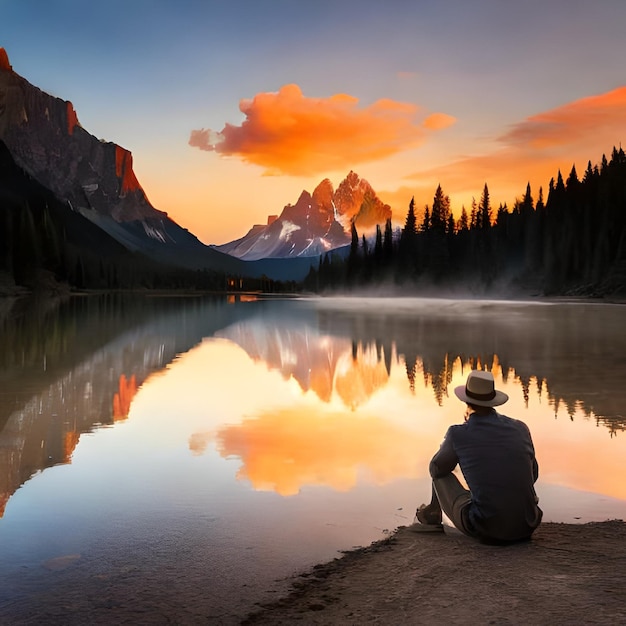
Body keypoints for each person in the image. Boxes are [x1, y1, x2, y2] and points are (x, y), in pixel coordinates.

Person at [412, 369, 542, 544]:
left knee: (441, 472)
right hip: (527, 524)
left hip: (487, 528)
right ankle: (511, 509)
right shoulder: (520, 428)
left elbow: (436, 469)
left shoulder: (458, 433)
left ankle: (433, 515)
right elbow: (533, 474)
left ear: (466, 401)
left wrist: (448, 444)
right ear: (492, 400)